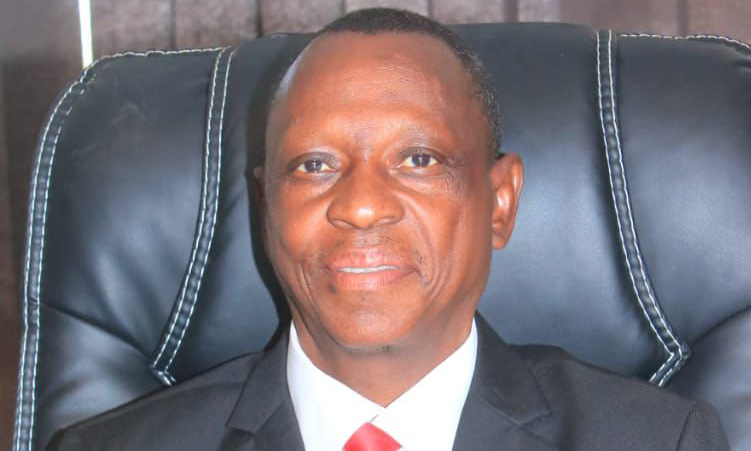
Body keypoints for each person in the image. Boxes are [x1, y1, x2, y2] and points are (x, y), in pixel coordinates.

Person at [50, 8, 729, 451]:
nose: (362, 206)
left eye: (418, 160)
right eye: (314, 165)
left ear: (499, 202)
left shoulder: (658, 440)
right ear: (267, 205)